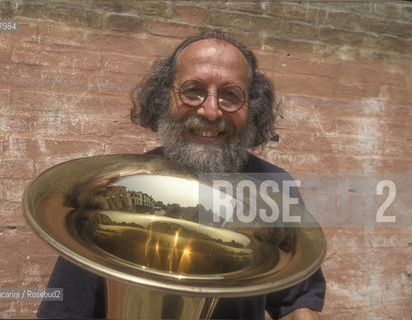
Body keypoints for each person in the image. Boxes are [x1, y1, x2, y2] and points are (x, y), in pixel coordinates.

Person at [37, 30, 325, 319]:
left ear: (253, 107)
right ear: (165, 98)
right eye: (192, 90)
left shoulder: (274, 188)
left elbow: (297, 301)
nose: (211, 111)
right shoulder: (117, 185)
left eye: (231, 95)